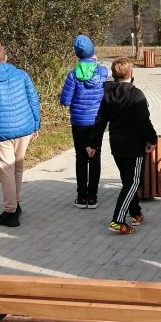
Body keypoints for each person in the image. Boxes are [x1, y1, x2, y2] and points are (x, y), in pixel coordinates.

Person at [86, 57, 157, 235]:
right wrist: (152, 140)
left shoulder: (108, 94)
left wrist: (93, 143)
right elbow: (143, 121)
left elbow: (100, 120)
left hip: (117, 145)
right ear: (131, 73)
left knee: (128, 181)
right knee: (134, 182)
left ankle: (135, 213)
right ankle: (117, 220)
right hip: (134, 146)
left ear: (113, 74)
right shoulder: (136, 94)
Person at [0, 42, 41, 227]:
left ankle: (10, 212)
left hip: (0, 132)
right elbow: (33, 99)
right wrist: (36, 124)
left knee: (6, 172)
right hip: (24, 127)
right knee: (17, 168)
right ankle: (16, 203)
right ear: (6, 58)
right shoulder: (21, 75)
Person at [60, 34, 110, 209]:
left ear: (77, 54)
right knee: (95, 157)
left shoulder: (73, 75)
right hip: (97, 122)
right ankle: (93, 197)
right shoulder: (102, 72)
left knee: (81, 158)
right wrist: (94, 62)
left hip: (79, 123)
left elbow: (65, 100)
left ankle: (81, 197)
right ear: (93, 52)